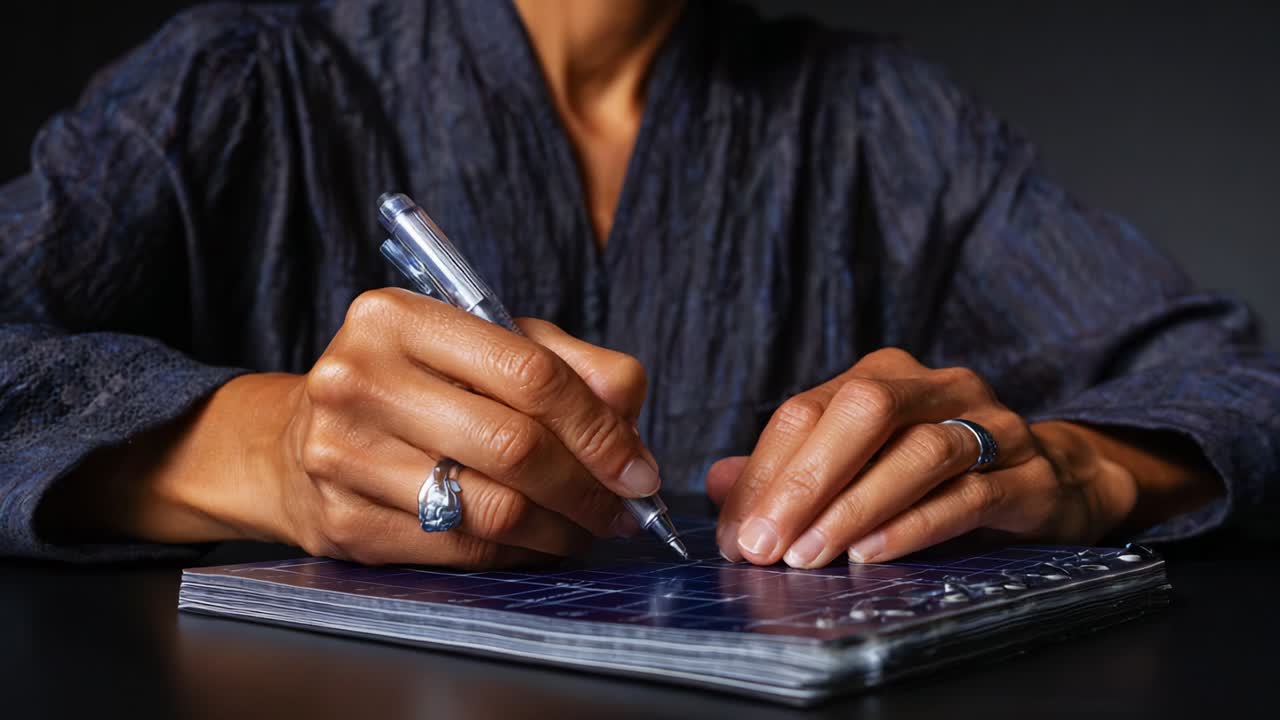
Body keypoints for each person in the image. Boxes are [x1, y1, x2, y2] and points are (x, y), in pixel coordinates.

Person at [1, 0, 1275, 569]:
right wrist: (263, 447)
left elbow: (1234, 382)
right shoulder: (248, 78)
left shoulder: (879, 122)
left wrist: (1079, 467)